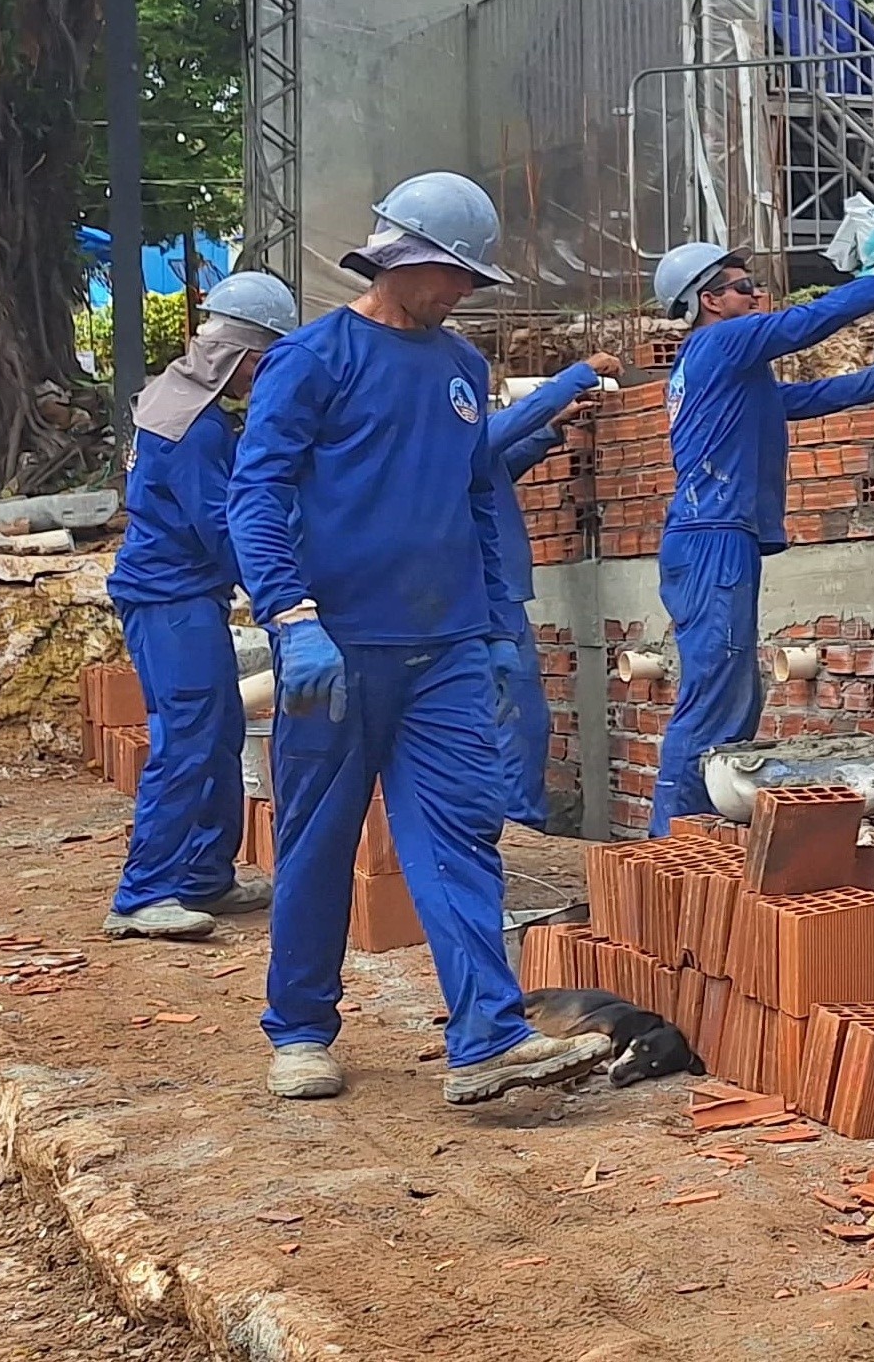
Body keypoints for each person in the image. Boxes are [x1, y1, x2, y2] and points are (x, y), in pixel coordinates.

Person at [227, 172, 618, 1105]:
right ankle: (302, 1030)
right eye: (445, 272)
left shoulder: (460, 370)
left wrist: (488, 625)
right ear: (394, 259)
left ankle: (485, 1032)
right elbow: (256, 496)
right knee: (319, 843)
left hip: (443, 647)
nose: (457, 291)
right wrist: (289, 615)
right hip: (336, 649)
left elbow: (477, 496)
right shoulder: (313, 360)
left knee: (458, 837)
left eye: (469, 279)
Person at [645, 241, 874, 835]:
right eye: (742, 287)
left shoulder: (719, 366)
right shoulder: (720, 341)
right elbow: (804, 324)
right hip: (711, 537)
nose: (754, 295)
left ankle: (700, 832)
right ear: (709, 300)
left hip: (709, 535)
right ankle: (674, 840)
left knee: (734, 693)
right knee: (715, 693)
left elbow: (798, 400)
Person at [100, 270, 303, 942]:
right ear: (242, 354)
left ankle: (204, 878)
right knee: (188, 737)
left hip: (176, 593)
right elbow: (222, 525)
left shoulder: (173, 399)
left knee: (216, 731)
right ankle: (143, 894)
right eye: (262, 363)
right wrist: (285, 594)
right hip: (170, 598)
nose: (260, 377)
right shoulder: (195, 428)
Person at [483, 350, 620, 833]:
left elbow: (493, 462)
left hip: (496, 594)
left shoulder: (457, 442)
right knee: (513, 721)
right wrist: (574, 378)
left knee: (518, 719)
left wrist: (548, 428)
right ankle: (515, 832)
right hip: (480, 598)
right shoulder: (438, 431)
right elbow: (491, 438)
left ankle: (514, 826)